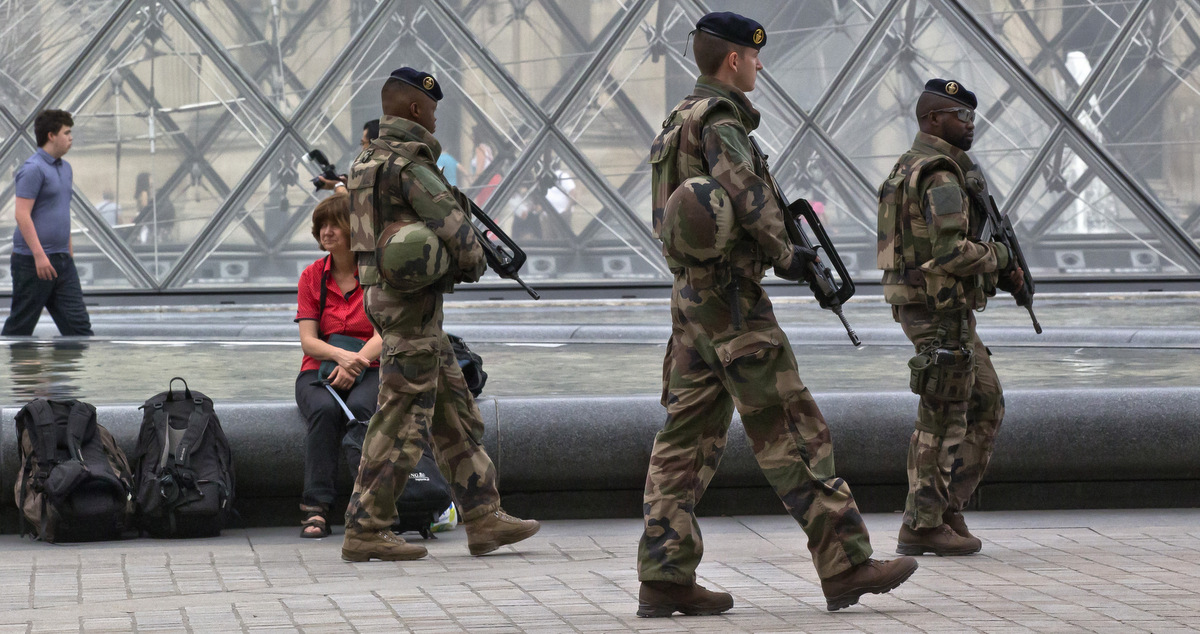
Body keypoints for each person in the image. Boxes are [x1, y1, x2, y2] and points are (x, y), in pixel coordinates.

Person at [636, 12, 917, 617]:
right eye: (754, 56)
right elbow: (747, 195)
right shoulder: (720, 120)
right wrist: (792, 256)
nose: (760, 65)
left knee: (683, 441)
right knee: (792, 426)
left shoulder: (675, 122)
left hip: (690, 300)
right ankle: (846, 563)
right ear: (733, 59)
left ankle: (663, 575)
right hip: (733, 303)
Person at [339, 67, 539, 562]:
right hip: (411, 310)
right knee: (403, 419)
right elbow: (464, 242)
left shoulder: (367, 160)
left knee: (455, 414)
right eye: (431, 107)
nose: (434, 116)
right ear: (414, 109)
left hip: (387, 299)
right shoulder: (409, 166)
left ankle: (483, 515)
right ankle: (366, 527)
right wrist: (467, 262)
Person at [876, 79, 1024, 556]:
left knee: (985, 400)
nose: (970, 125)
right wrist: (999, 257)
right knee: (942, 413)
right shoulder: (940, 174)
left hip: (936, 307)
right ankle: (921, 523)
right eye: (961, 116)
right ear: (932, 119)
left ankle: (944, 505)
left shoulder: (909, 165)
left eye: (972, 117)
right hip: (938, 311)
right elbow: (952, 252)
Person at [294, 191, 383, 538]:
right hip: (317, 370)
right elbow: (309, 341)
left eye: (335, 225)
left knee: (363, 408)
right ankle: (315, 507)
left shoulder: (376, 274)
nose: (326, 232)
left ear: (354, 229)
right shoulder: (312, 277)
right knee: (324, 411)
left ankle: (368, 505)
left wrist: (355, 364)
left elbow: (384, 332)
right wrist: (341, 358)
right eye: (321, 226)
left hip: (370, 369)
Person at [2, 109, 93, 337]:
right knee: (20, 328)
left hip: (62, 261)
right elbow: (22, 215)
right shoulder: (33, 169)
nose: (71, 137)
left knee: (79, 329)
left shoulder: (66, 168)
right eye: (67, 132)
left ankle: (71, 372)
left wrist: (68, 253)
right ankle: (17, 372)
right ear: (51, 135)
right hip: (33, 262)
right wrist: (40, 256)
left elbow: (61, 211)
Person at [316, 120, 380, 191]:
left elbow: (365, 198)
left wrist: (338, 185)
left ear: (375, 144)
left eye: (363, 143)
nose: (362, 149)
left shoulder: (383, 174)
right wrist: (346, 183)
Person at [134, 172, 175, 244]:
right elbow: (145, 208)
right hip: (144, 219)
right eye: (150, 178)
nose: (152, 180)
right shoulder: (144, 193)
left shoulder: (142, 192)